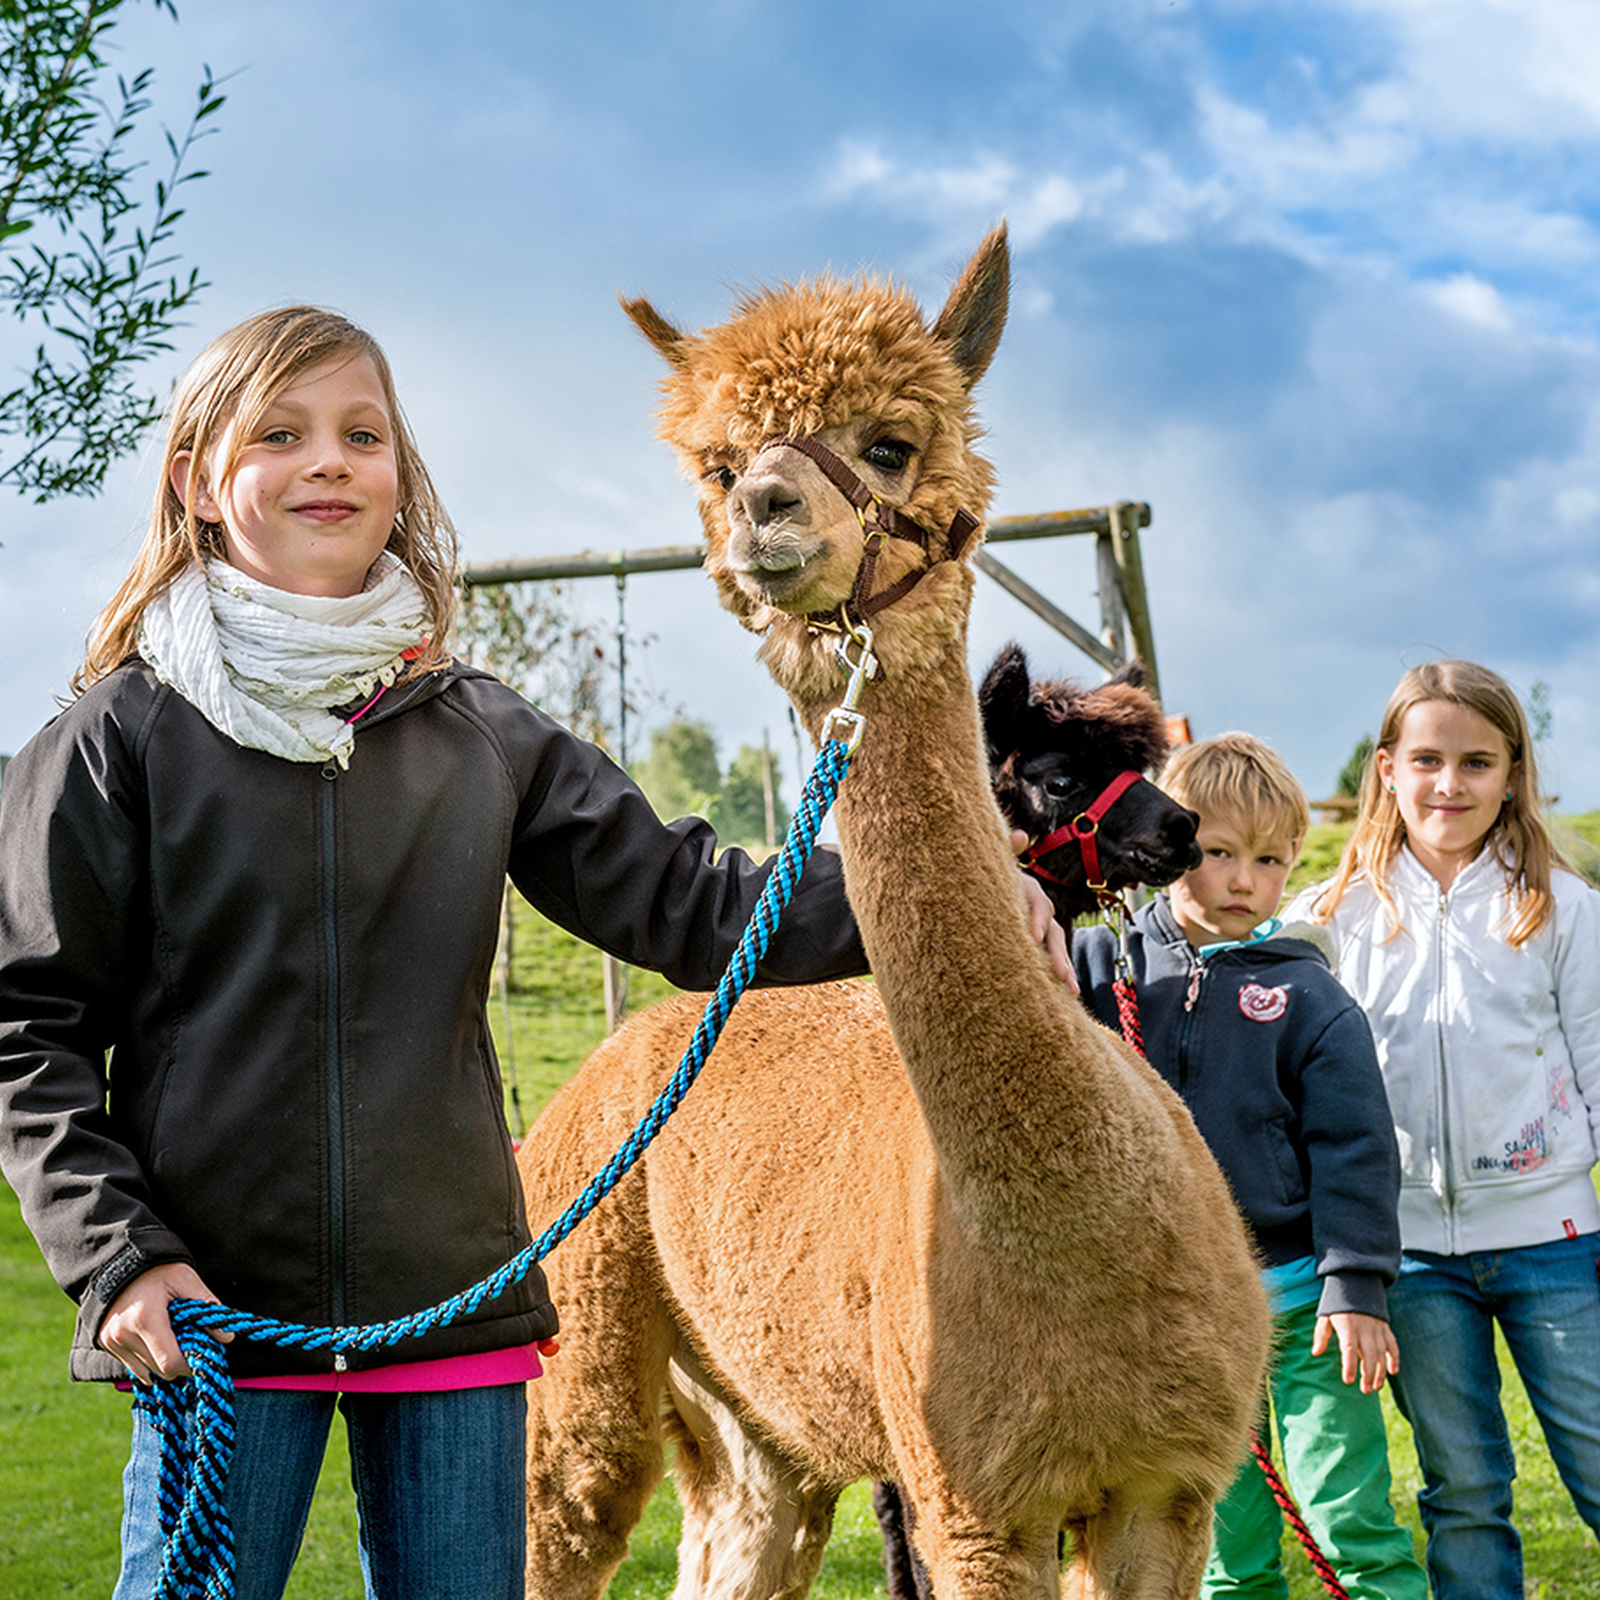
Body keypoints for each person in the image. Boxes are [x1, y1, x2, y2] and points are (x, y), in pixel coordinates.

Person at [0, 305, 1054, 1600]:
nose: (328, 459)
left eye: (362, 434)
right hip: (213, 1319)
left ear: (401, 481)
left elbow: (689, 903)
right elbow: (26, 1028)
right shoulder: (116, 744)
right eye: (281, 433)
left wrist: (961, 894)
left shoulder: (472, 733)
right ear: (199, 484)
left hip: (454, 1307)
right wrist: (117, 1256)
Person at [1074, 732, 1426, 1600]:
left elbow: (1355, 1147)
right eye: (1220, 853)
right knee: (1222, 1549)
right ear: (1168, 843)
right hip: (1172, 1321)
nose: (1243, 881)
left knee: (1351, 1521)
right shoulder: (1099, 968)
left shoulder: (1308, 997)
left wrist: (1356, 1285)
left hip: (1303, 1308)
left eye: (1271, 861)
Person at [1290, 659, 1600, 1600]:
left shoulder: (1560, 909)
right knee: (1464, 1489)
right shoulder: (1330, 921)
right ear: (1386, 768)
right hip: (1411, 1256)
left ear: (1511, 773)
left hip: (1555, 1243)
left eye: (1476, 762)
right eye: (1427, 759)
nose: (1450, 784)